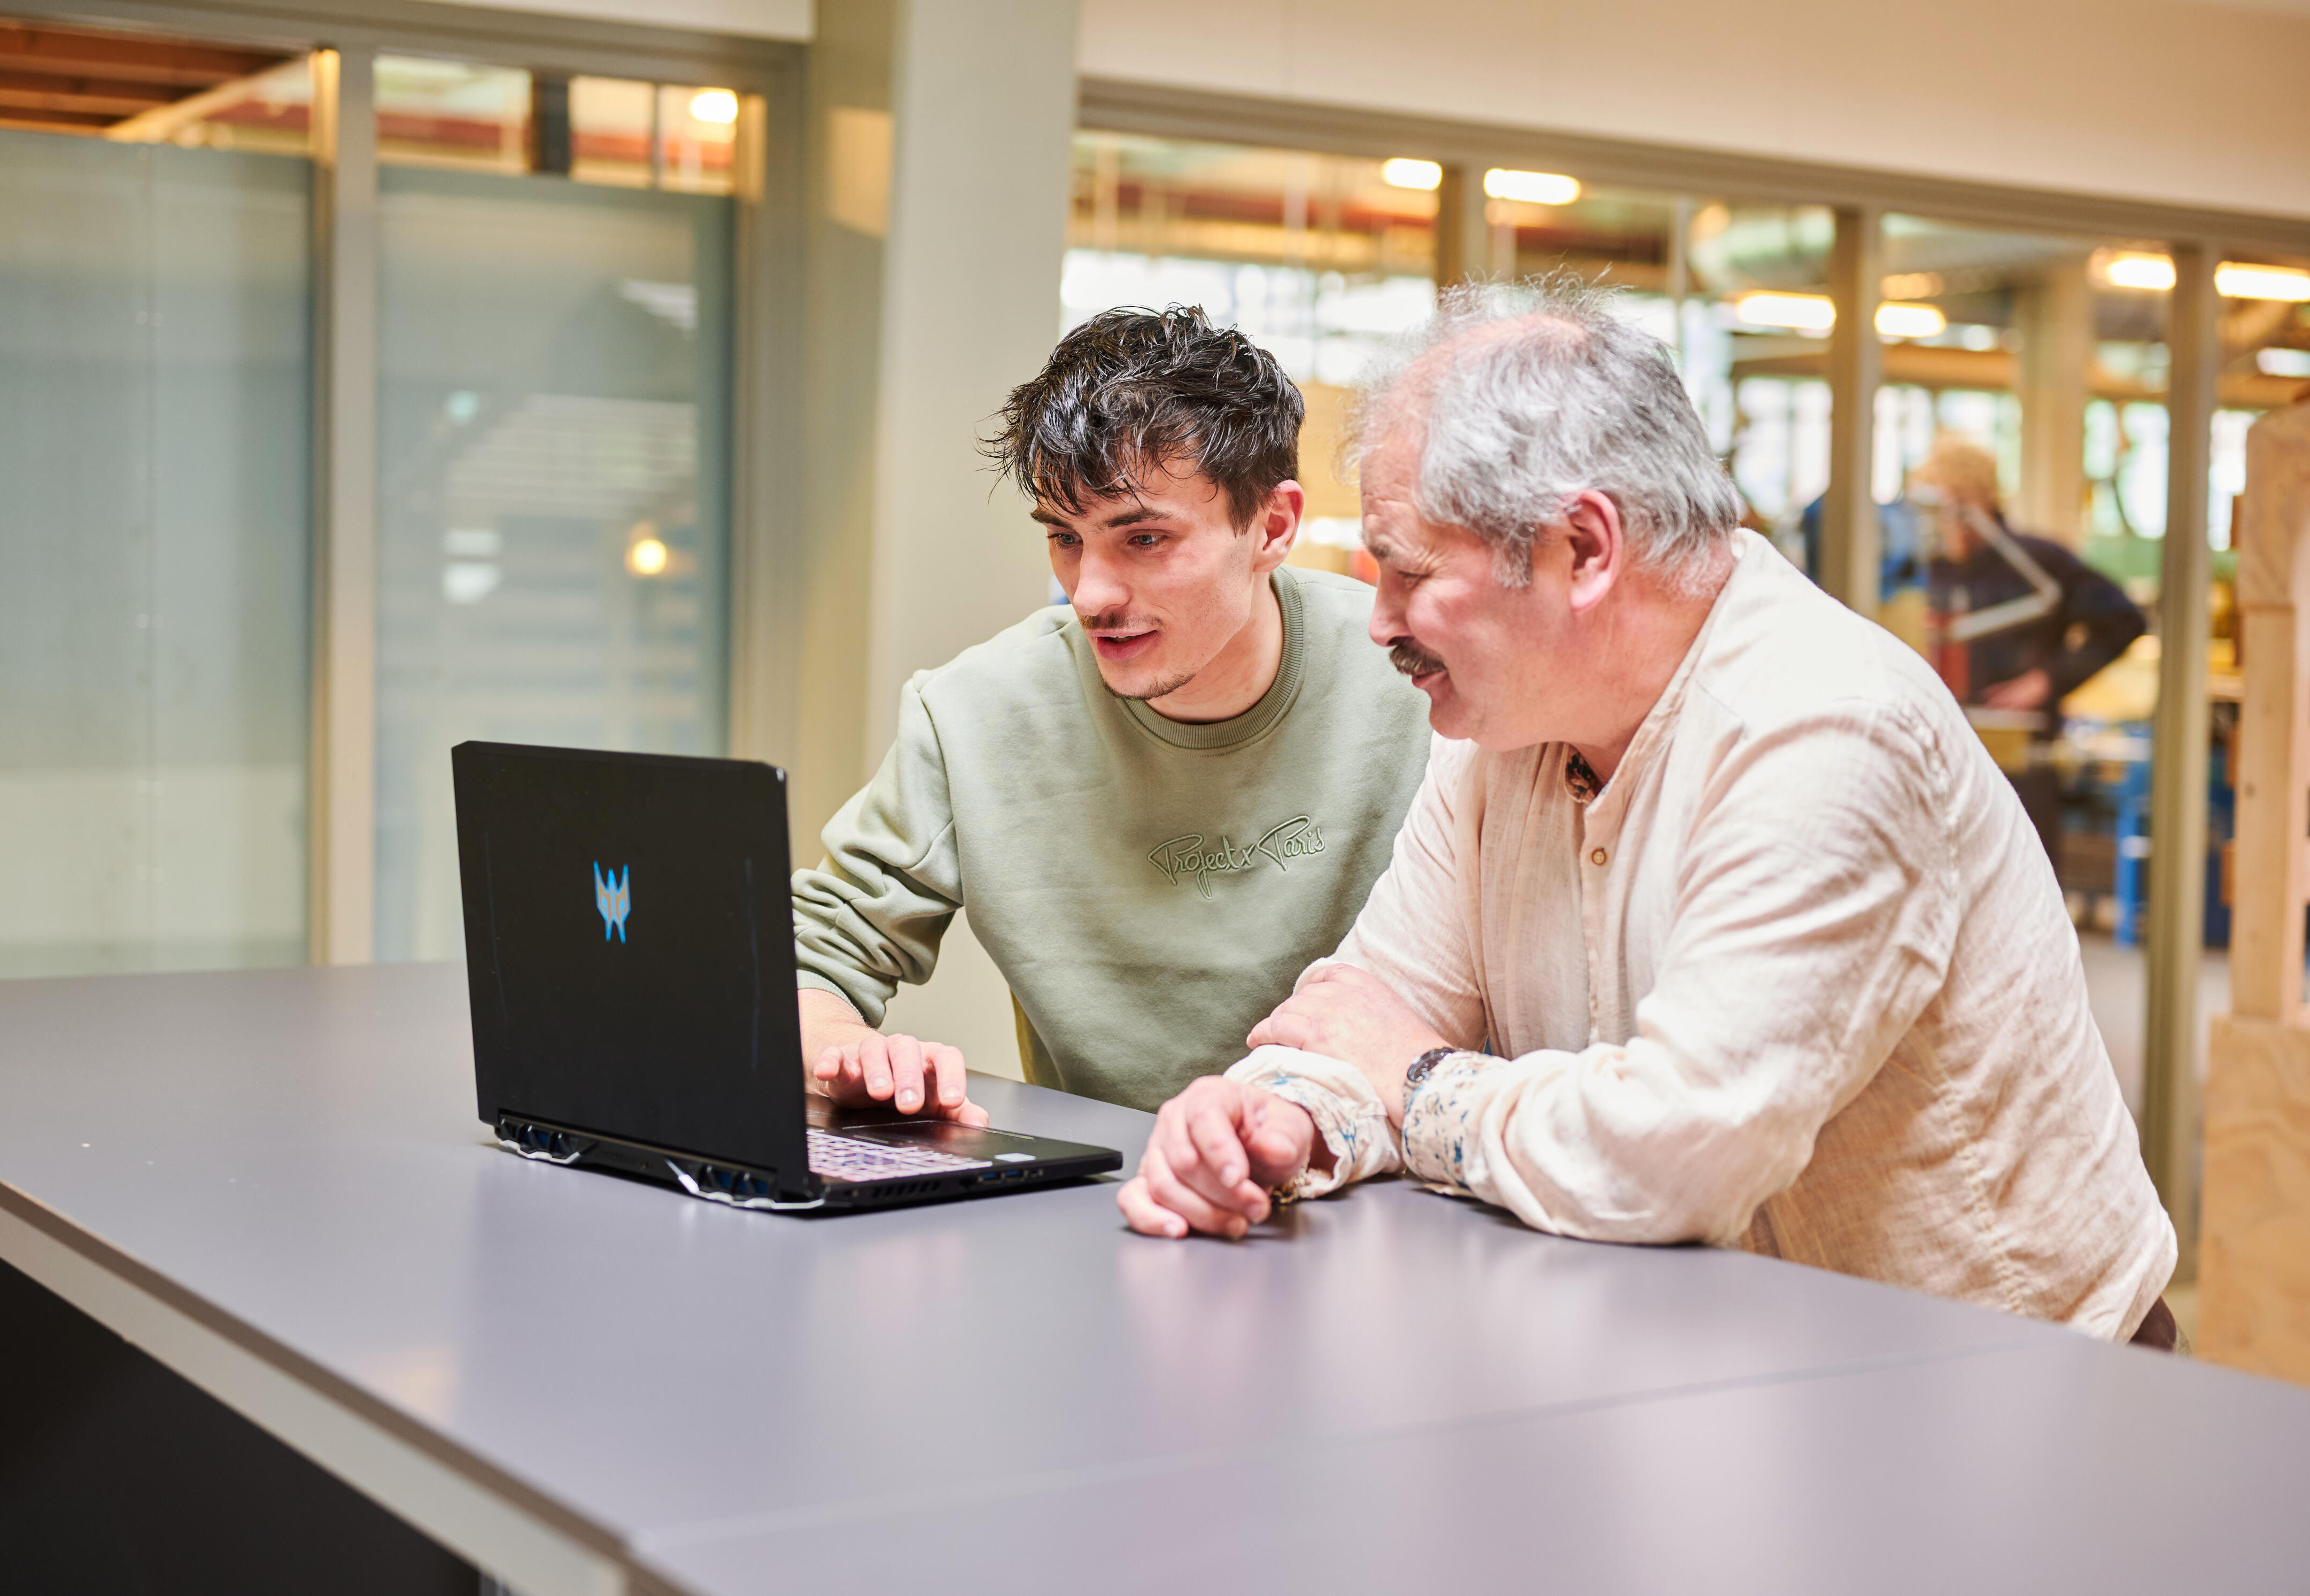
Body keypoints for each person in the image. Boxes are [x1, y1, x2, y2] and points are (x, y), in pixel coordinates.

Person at [1118, 279, 2180, 1348]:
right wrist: (1271, 1116)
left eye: (1407, 571)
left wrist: (1419, 1082)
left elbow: (1676, 1150)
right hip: (1729, 1357)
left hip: (2004, 1390)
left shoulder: (1822, 730)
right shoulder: (1508, 721)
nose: (1377, 619)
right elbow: (1376, 1003)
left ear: (1582, 547)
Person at [792, 306, 1433, 1122]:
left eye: (1144, 540)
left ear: (1273, 526)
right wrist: (844, 1056)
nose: (1089, 593)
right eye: (1064, 536)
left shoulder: (1419, 682)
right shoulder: (973, 713)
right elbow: (811, 958)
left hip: (1384, 1187)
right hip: (1111, 1201)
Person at [1912, 434, 2145, 870]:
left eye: (1954, 507)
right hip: (1934, 761)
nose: (1944, 524)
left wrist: (2047, 680)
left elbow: (2124, 620)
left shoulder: (2037, 564)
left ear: (1979, 501)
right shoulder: (1923, 571)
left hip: (2020, 763)